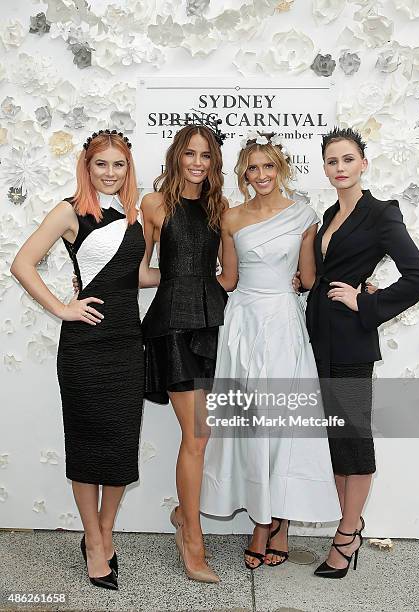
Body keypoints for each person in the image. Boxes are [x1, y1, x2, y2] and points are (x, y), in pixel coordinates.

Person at [11, 130, 159, 590]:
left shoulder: (135, 215)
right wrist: (62, 307)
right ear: (87, 167)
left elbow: (136, 276)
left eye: (119, 165)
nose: (110, 173)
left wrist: (196, 274)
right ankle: (93, 541)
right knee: (86, 445)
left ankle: (106, 530)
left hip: (125, 345)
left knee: (119, 447)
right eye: (102, 165)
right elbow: (22, 263)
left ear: (127, 169)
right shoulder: (70, 211)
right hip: (83, 348)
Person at [200, 131, 342, 570]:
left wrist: (306, 284)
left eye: (267, 166)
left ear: (280, 168)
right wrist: (177, 286)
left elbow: (309, 276)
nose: (261, 175)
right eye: (252, 168)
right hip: (242, 323)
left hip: (282, 322)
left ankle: (271, 525)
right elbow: (228, 278)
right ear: (243, 175)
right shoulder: (231, 216)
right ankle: (265, 518)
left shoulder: (304, 215)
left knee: (281, 421)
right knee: (249, 423)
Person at [304, 126, 419, 578]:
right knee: (337, 440)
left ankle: (348, 533)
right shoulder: (328, 213)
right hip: (320, 337)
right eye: (332, 161)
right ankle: (347, 526)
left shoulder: (381, 214)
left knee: (353, 439)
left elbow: (418, 278)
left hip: (352, 340)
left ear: (364, 163)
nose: (340, 168)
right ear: (325, 168)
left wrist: (368, 302)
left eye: (347, 159)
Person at [140, 123, 227, 583]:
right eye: (189, 154)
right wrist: (177, 279)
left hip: (213, 324)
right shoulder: (154, 205)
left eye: (205, 155)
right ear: (176, 157)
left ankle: (182, 515)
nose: (197, 162)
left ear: (213, 163)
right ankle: (191, 538)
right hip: (173, 325)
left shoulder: (219, 208)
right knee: (196, 436)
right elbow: (138, 270)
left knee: (202, 435)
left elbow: (229, 276)